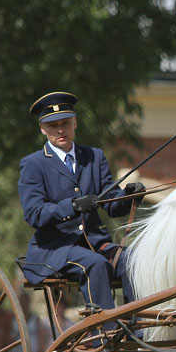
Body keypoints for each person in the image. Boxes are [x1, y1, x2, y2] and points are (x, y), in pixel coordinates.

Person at [18, 91, 145, 316]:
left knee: (133, 260)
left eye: (65, 123)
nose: (60, 130)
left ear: (75, 123)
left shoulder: (94, 157)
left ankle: (137, 327)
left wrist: (130, 197)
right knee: (94, 264)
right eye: (53, 124)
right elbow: (34, 213)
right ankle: (104, 335)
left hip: (95, 243)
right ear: (42, 128)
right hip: (56, 248)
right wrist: (73, 206)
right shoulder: (33, 164)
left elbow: (111, 204)